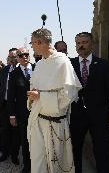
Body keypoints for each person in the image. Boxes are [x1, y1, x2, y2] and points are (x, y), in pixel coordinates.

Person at [27, 28, 82, 173]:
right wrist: (33, 98)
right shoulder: (39, 64)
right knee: (38, 161)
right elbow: (35, 88)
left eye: (32, 43)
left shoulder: (63, 62)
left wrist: (41, 97)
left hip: (55, 122)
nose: (31, 46)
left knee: (56, 164)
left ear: (40, 42)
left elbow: (69, 95)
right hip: (37, 119)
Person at [70, 32, 109, 173]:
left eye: (84, 42)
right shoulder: (69, 66)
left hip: (99, 116)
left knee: (102, 150)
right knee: (74, 149)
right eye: (78, 43)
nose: (81, 45)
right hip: (76, 116)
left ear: (92, 44)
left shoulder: (104, 65)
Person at [7, 47, 33, 173]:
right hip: (23, 113)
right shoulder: (13, 74)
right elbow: (11, 96)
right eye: (21, 55)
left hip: (41, 111)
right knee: (25, 140)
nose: (24, 57)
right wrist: (12, 115)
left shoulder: (38, 69)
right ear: (17, 58)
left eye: (26, 54)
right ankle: (28, 167)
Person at [0, 48, 20, 165]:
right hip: (5, 105)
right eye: (10, 57)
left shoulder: (22, 70)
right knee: (5, 130)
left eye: (14, 57)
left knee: (16, 132)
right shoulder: (4, 70)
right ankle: (5, 153)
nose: (12, 59)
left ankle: (15, 155)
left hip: (17, 106)